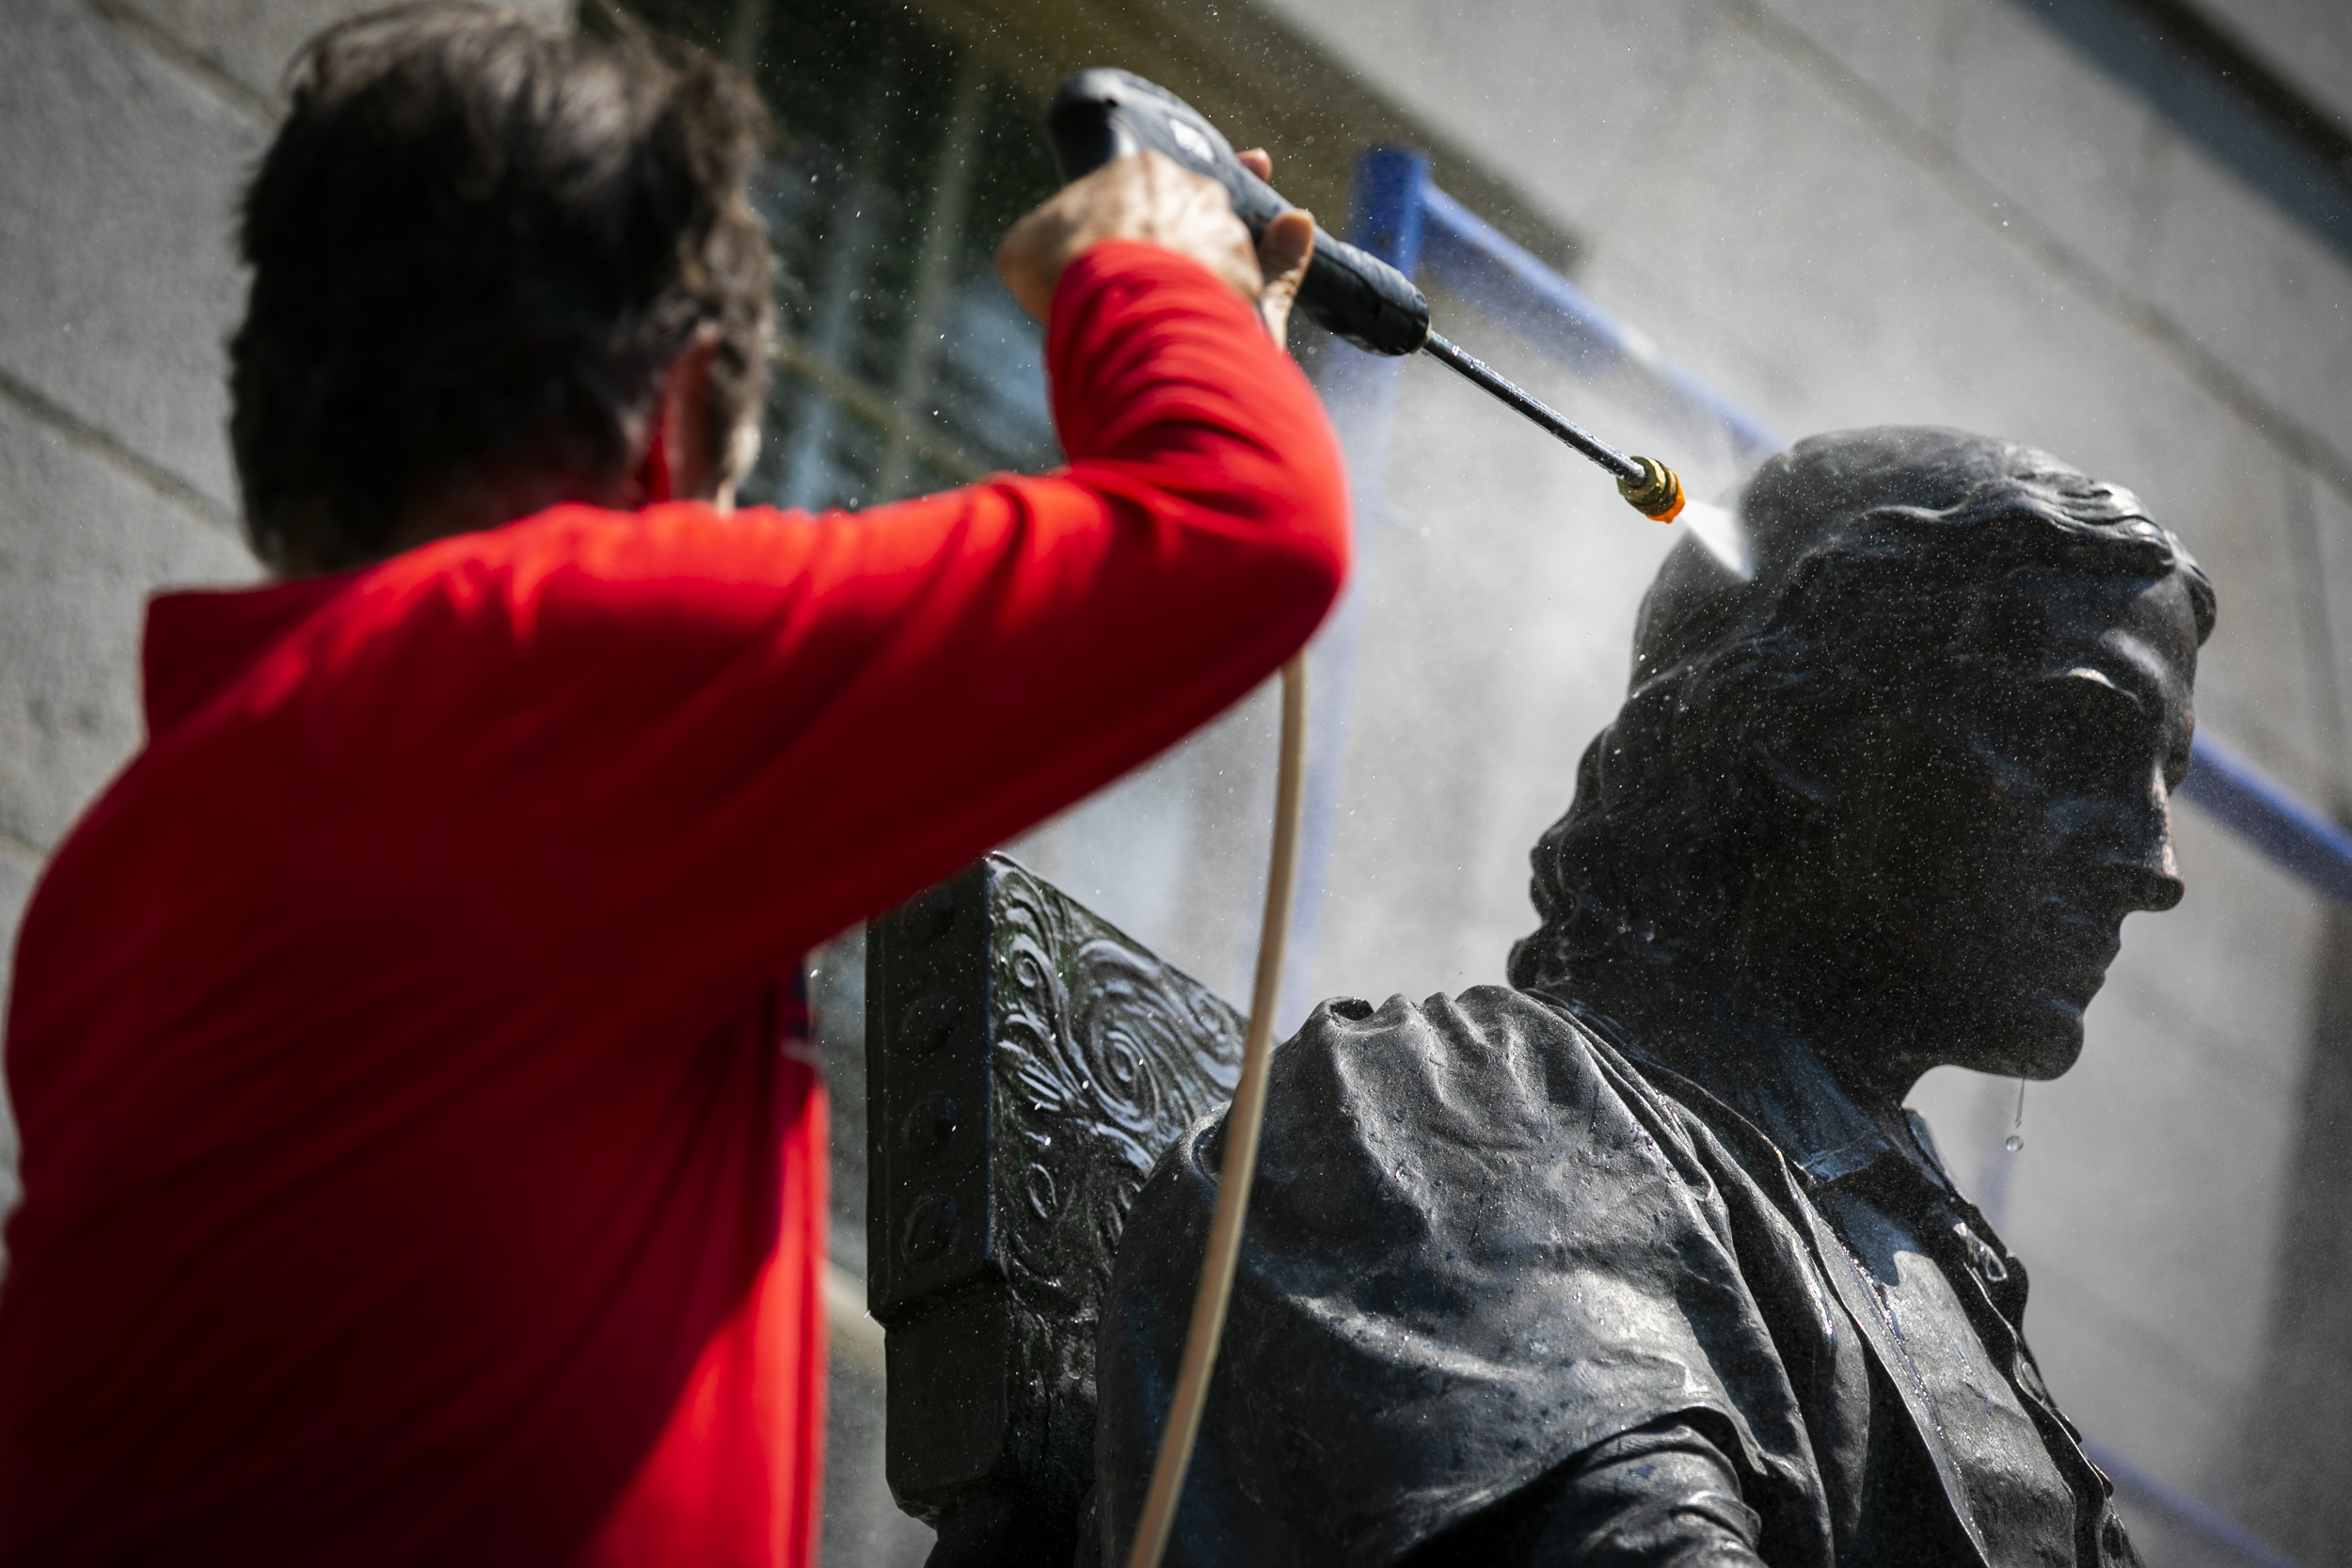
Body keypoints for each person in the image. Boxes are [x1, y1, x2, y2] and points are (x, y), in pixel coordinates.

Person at [0, 6, 1344, 1565]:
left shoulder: (143, 852)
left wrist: (1208, 317)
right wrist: (1154, 260)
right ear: (679, 417)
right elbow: (1248, 521)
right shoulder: (535, 675)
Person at [1093, 427, 2212, 1567]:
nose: (2156, 863)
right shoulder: (1469, 1112)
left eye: (2165, 781)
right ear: (1810, 731)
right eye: (2075, 733)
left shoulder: (1926, 1257)